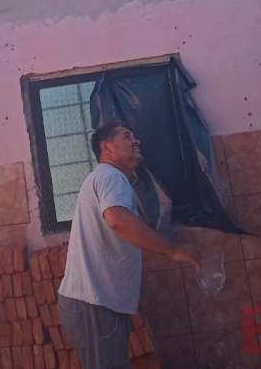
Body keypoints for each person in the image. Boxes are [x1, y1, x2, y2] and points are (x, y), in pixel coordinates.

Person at [57, 122, 201, 369]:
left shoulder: (105, 178)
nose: (136, 141)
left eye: (134, 136)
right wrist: (172, 249)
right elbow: (118, 221)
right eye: (127, 136)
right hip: (95, 301)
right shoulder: (111, 176)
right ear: (106, 147)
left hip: (96, 301)